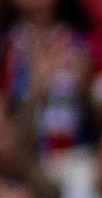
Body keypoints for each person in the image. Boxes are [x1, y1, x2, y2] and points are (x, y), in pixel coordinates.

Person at [5, 0, 93, 158]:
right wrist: (38, 84)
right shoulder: (11, 44)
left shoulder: (75, 40)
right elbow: (7, 106)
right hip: (27, 150)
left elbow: (88, 100)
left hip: (74, 148)